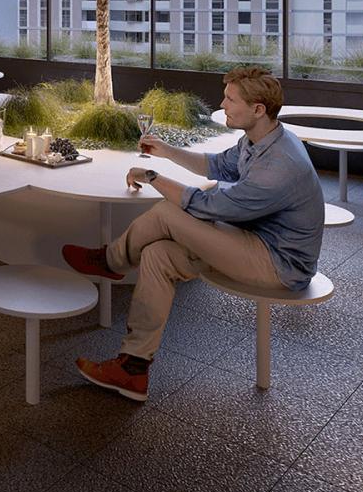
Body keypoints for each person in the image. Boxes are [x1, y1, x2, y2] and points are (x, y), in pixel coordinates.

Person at [61, 67, 323, 401]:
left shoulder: (280, 164)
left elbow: (208, 205)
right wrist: (165, 150)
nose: (222, 104)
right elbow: (217, 166)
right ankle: (132, 368)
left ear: (258, 109)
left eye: (230, 99)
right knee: (157, 256)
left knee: (169, 212)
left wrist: (153, 176)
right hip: (251, 240)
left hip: (279, 264)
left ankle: (111, 259)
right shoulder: (259, 139)